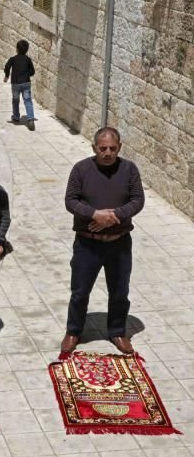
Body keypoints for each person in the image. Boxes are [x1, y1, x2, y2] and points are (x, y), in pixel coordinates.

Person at [61, 127, 145, 355]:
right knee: (80, 291)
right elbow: (70, 200)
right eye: (103, 148)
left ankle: (118, 331)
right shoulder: (81, 169)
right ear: (94, 148)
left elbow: (138, 200)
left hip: (119, 243)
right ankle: (74, 331)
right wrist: (94, 215)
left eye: (112, 148)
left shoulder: (129, 169)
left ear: (119, 147)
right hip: (87, 244)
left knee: (119, 291)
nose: (107, 153)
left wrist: (113, 217)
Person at [4, 39, 36, 131]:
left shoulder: (13, 59)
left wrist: (6, 76)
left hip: (15, 84)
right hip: (26, 83)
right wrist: (26, 74)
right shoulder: (28, 60)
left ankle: (16, 116)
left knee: (15, 100)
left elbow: (7, 66)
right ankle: (30, 119)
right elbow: (32, 72)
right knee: (28, 100)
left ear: (16, 49)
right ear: (27, 50)